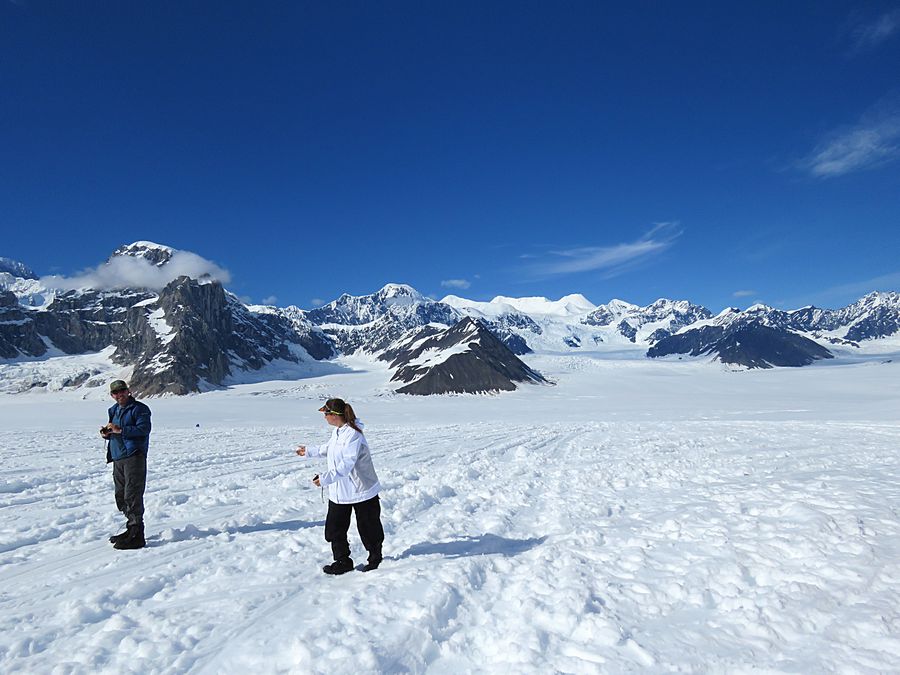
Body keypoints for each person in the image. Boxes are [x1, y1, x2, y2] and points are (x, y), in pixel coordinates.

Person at [296, 398, 384, 575]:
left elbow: (346, 464)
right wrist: (309, 451)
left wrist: (325, 479)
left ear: (334, 415)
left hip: (362, 490)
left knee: (369, 528)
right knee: (334, 528)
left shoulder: (354, 435)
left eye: (325, 413)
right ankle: (343, 560)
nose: (324, 417)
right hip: (340, 491)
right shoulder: (338, 432)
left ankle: (375, 558)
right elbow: (329, 448)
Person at [100, 379, 152, 550]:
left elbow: (143, 430)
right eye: (115, 393)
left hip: (133, 456)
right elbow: (114, 429)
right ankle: (131, 527)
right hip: (118, 456)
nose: (119, 395)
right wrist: (108, 434)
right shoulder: (114, 410)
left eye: (122, 391)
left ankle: (137, 534)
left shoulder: (140, 409)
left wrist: (120, 430)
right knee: (121, 495)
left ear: (128, 391)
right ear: (112, 395)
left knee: (132, 494)